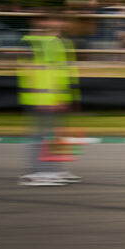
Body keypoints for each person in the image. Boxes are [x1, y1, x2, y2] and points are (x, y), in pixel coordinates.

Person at [17, 15, 81, 187]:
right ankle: (40, 172)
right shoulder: (36, 43)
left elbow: (62, 72)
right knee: (42, 136)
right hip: (43, 99)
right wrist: (44, 98)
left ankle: (53, 169)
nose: (62, 22)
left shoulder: (58, 42)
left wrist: (67, 97)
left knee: (55, 136)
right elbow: (32, 72)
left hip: (55, 98)